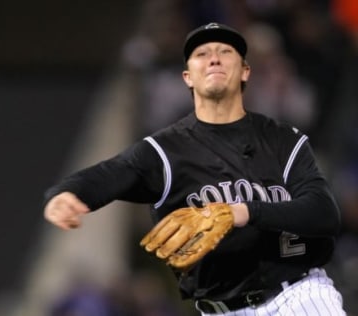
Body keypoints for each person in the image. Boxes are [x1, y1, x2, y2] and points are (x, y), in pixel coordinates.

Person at [43, 22, 346, 315]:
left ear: (245, 71)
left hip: (297, 296)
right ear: (188, 77)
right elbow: (111, 173)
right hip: (220, 310)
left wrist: (241, 212)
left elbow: (323, 213)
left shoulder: (282, 141)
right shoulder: (164, 152)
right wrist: (68, 192)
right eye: (202, 54)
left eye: (225, 51)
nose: (213, 57)